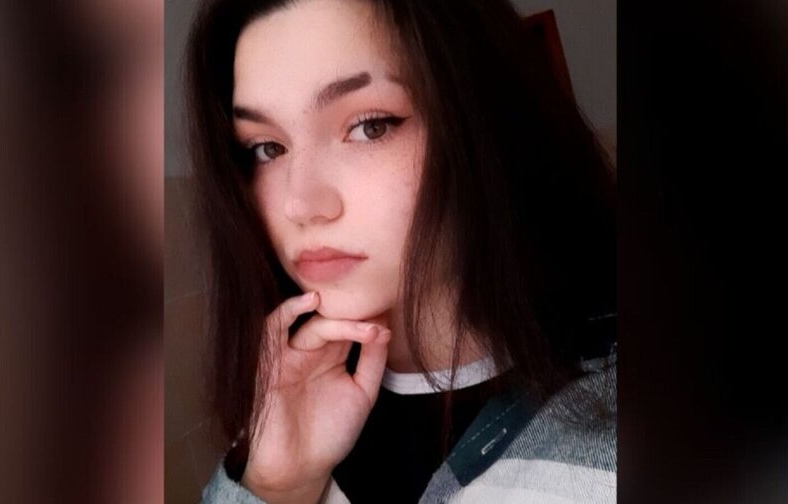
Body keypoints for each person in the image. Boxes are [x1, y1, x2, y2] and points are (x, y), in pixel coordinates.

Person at [186, 0, 616, 502]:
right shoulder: (285, 408)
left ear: (482, 123)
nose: (299, 205)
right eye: (266, 148)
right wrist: (276, 484)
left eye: (370, 126)